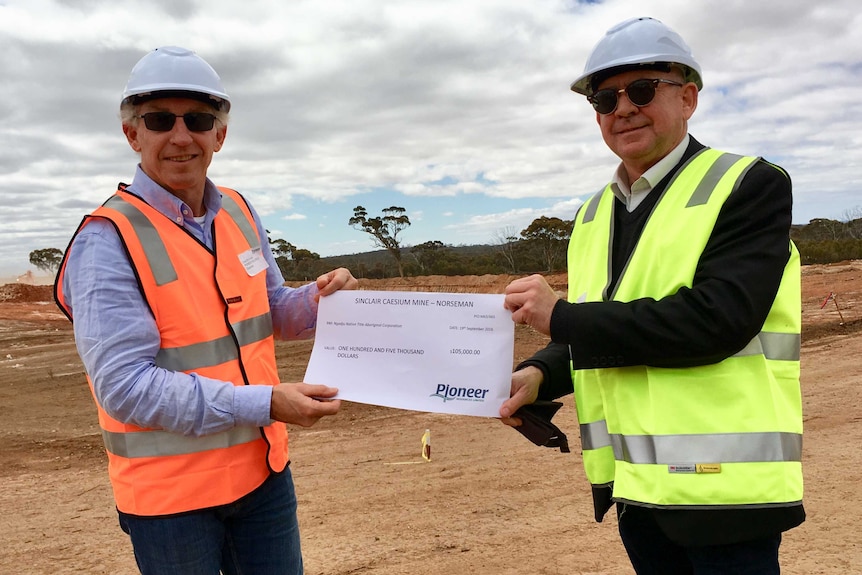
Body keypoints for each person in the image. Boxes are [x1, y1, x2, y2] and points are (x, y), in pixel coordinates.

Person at [500, 17, 803, 575]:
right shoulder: (594, 215)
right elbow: (605, 324)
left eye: (642, 90)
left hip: (725, 497)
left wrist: (560, 318)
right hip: (637, 492)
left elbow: (716, 321)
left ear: (688, 98)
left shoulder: (747, 185)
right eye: (604, 97)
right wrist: (542, 372)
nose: (622, 108)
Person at [54, 46, 357, 574]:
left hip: (262, 477)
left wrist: (320, 299)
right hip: (172, 501)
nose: (180, 135)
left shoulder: (238, 210)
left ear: (219, 135)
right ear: (132, 134)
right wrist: (265, 403)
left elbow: (274, 312)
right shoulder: (108, 240)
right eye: (159, 120)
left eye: (198, 120)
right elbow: (124, 387)